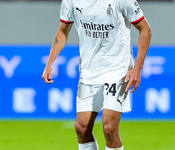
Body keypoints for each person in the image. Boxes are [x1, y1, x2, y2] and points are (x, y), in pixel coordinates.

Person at [42, 0, 151, 149]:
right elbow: (63, 30)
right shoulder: (71, 1)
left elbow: (145, 29)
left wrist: (137, 68)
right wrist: (50, 63)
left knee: (110, 129)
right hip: (89, 71)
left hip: (117, 69)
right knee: (81, 128)